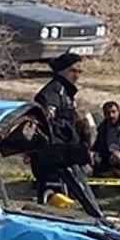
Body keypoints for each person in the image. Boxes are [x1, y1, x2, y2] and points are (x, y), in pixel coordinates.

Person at [31, 52, 89, 202]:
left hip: (66, 155)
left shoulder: (66, 94)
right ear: (62, 71)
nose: (77, 76)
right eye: (73, 71)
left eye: (79, 72)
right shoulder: (52, 94)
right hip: (54, 158)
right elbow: (48, 128)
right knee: (54, 201)